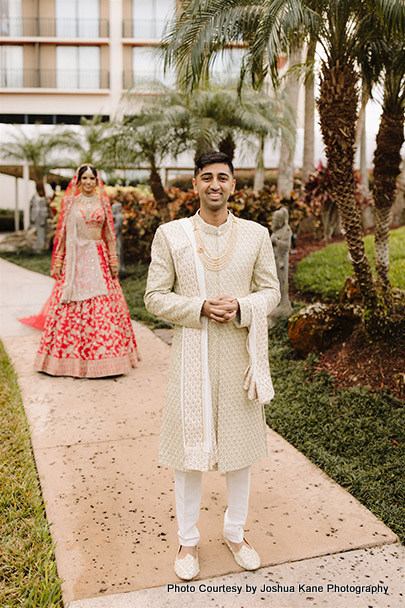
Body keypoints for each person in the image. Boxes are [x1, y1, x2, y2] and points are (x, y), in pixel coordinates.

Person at [144, 150, 280, 580]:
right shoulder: (171, 235)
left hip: (240, 359)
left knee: (240, 455)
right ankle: (187, 540)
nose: (215, 185)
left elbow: (271, 292)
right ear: (195, 184)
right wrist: (200, 306)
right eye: (207, 177)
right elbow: (154, 296)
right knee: (188, 455)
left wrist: (241, 305)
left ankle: (235, 533)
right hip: (192, 359)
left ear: (234, 185)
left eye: (223, 177)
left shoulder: (257, 235)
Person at [34, 164, 139, 377]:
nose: (89, 182)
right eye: (85, 178)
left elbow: (110, 234)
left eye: (92, 178)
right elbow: (63, 235)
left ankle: (108, 359)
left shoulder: (103, 202)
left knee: (105, 306)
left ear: (96, 180)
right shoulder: (70, 203)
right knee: (70, 305)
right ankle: (65, 361)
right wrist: (59, 261)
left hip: (99, 258)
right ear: (79, 180)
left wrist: (112, 259)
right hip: (76, 260)